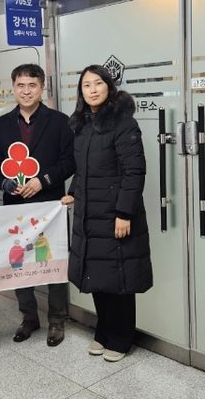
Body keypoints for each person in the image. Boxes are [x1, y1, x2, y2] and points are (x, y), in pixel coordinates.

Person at [61, 64, 152, 362]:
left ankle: (121, 338)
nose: (93, 90)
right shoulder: (83, 124)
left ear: (109, 87)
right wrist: (74, 192)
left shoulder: (124, 123)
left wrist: (124, 213)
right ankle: (103, 331)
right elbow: (84, 169)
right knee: (97, 276)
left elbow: (134, 172)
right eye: (86, 85)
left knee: (119, 278)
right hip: (90, 214)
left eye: (98, 83)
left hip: (115, 215)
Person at [0, 63, 75, 346]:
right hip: (15, 207)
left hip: (49, 206)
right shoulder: (2, 124)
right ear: (13, 88)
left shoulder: (60, 121)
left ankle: (57, 320)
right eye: (21, 85)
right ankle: (29, 317)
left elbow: (69, 162)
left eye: (32, 85)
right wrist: (6, 184)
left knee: (53, 262)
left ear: (42, 88)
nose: (26, 91)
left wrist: (43, 180)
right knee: (19, 262)